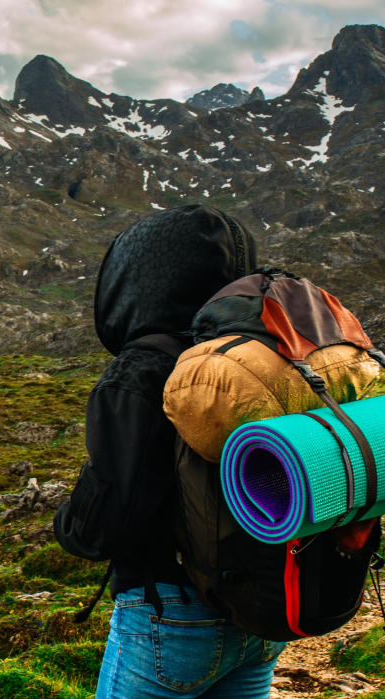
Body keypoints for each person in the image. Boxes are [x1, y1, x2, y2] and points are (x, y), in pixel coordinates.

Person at [53, 204, 285, 697]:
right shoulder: (266, 355)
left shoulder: (143, 367)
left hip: (170, 616)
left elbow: (109, 520)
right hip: (261, 609)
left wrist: (68, 524)